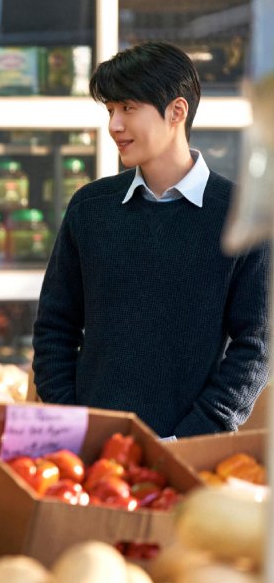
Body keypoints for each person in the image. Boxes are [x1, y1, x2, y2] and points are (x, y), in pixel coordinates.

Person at [32, 41, 269, 438]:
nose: (114, 125)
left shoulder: (239, 215)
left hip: (189, 453)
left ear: (177, 111)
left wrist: (191, 437)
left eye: (128, 108)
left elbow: (257, 345)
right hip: (91, 452)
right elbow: (54, 328)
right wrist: (73, 425)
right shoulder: (90, 208)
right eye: (110, 110)